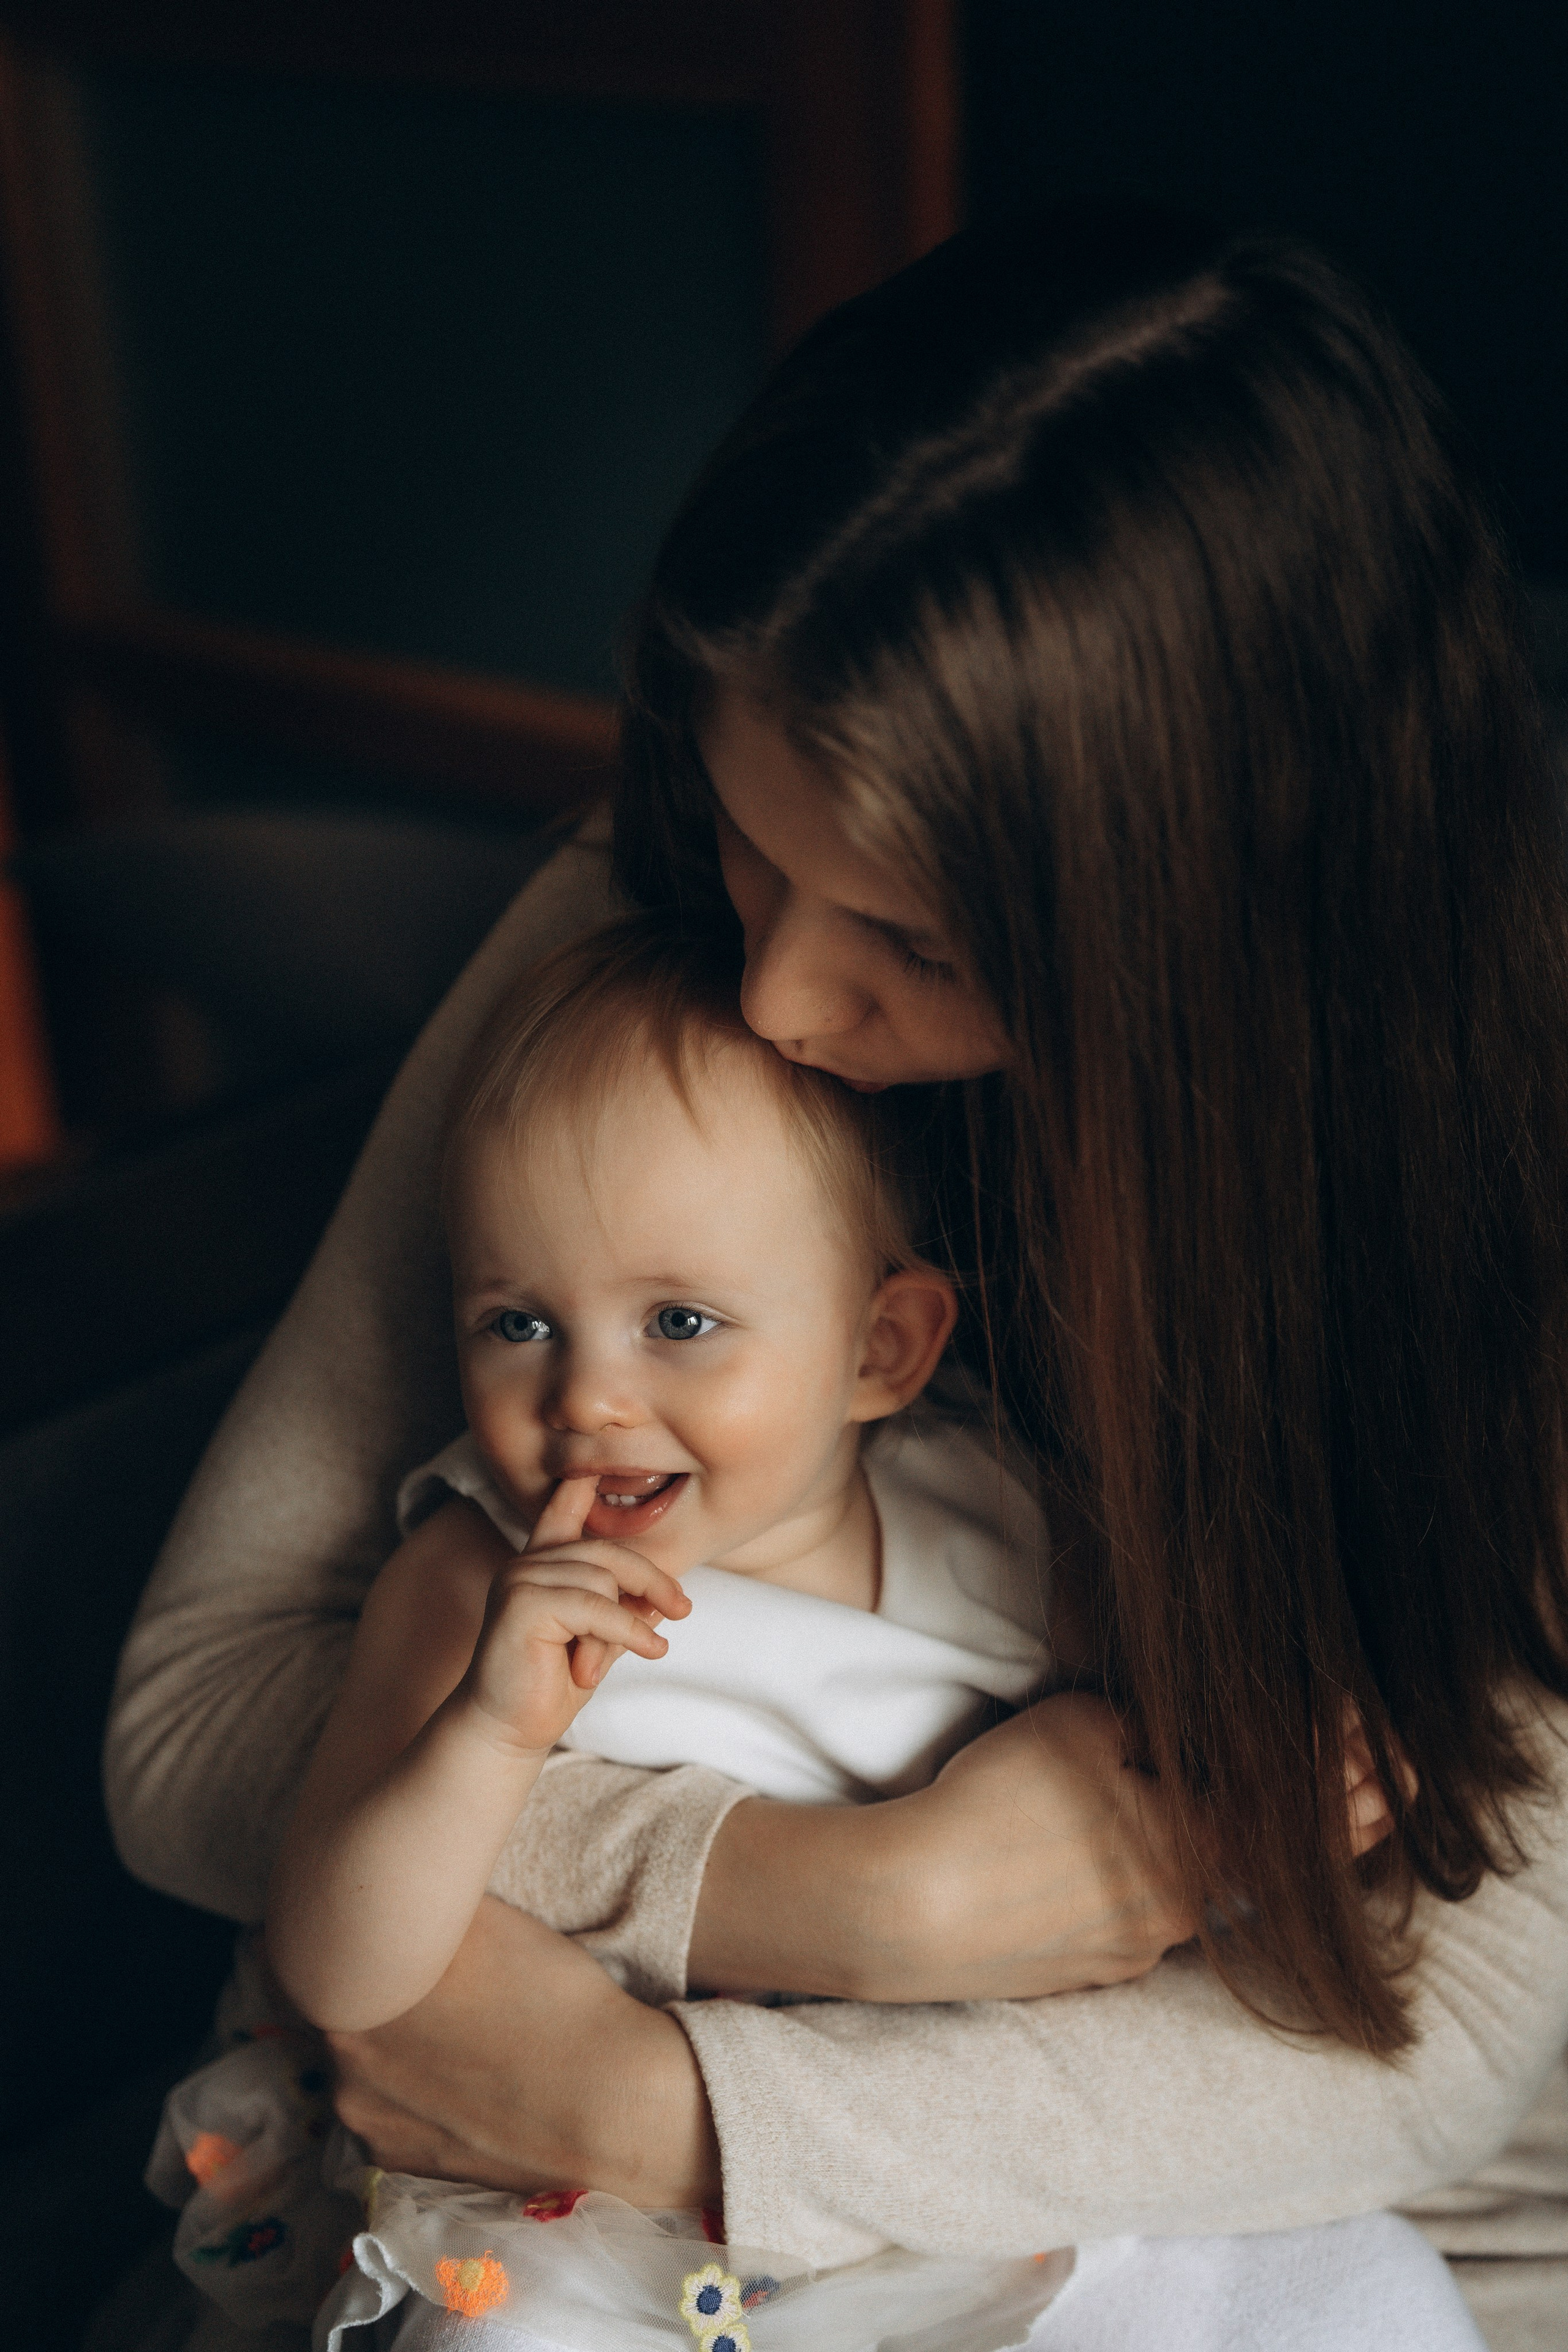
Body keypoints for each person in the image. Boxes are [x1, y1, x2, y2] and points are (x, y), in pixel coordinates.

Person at [107, 208, 1568, 2352]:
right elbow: (195, 1717)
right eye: (749, 846)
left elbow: (1435, 2045)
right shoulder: (655, 951)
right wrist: (843, 1905)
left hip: (1309, 2211)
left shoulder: (1493, 1189)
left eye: (920, 944)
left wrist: (650, 2088)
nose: (777, 990)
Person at [148, 916, 1479, 2352]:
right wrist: (487, 1737)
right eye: (518, 1324)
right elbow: (340, 1970)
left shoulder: (1005, 1523)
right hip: (586, 2221)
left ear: (878, 1350)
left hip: (920, 2169)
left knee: (1356, 2297)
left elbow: (1154, 1803)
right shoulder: (477, 1578)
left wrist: (1284, 1786)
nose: (587, 1397)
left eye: (677, 1319)